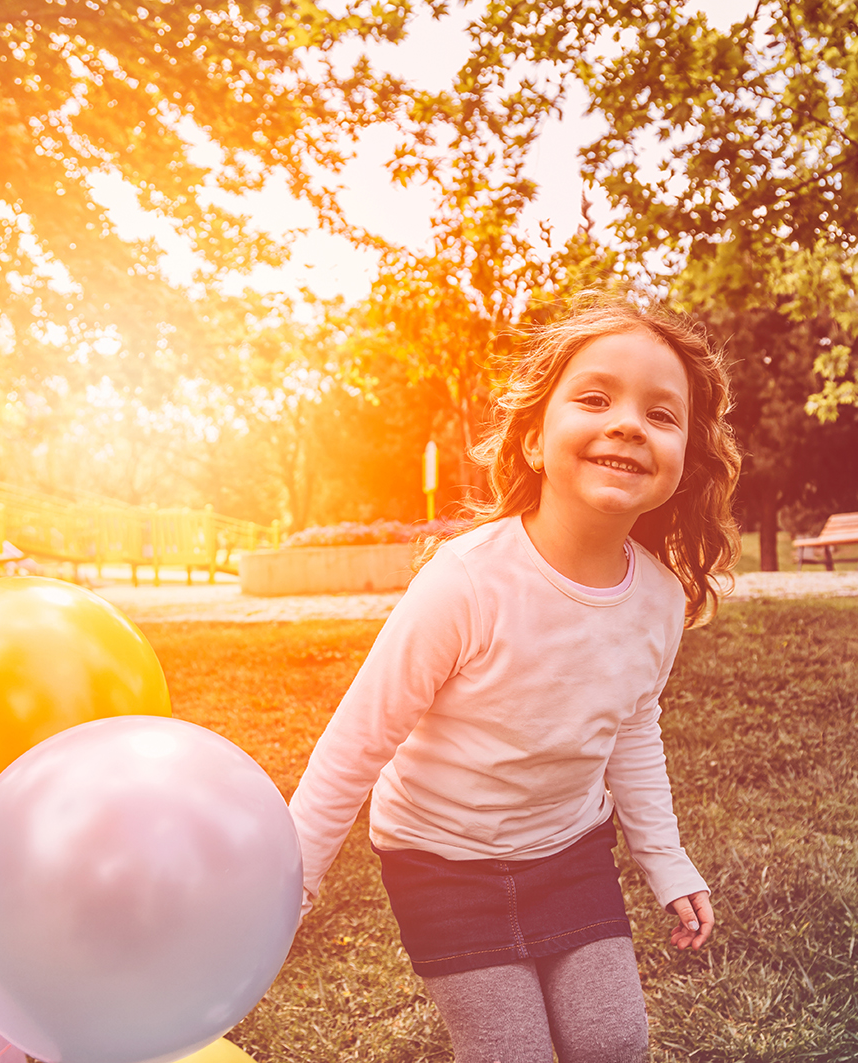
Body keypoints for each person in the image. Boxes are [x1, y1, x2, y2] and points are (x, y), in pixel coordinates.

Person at [286, 297, 741, 1062]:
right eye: (594, 399)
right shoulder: (465, 582)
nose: (628, 422)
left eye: (662, 414)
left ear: (684, 461)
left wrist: (666, 860)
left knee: (614, 1041)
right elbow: (360, 740)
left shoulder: (661, 598)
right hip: (439, 858)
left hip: (568, 853)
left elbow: (631, 726)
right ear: (534, 438)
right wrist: (290, 883)